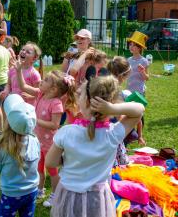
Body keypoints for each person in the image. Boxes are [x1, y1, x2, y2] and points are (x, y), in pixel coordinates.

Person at [46, 75, 145, 217]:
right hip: (97, 197)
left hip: (68, 194)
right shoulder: (113, 133)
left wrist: (66, 157)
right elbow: (139, 109)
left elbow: (50, 162)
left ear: (85, 102)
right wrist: (112, 108)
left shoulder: (66, 132)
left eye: (80, 95)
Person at [16, 66, 76, 207]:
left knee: (53, 171)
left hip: (50, 145)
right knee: (38, 167)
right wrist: (19, 71)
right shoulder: (40, 94)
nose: (41, 81)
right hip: (38, 141)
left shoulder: (56, 104)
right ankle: (40, 189)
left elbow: (55, 125)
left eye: (46, 80)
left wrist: (35, 120)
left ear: (54, 89)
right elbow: (23, 86)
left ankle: (56, 194)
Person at [0, 94, 40, 217]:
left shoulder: (4, 147)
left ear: (8, 121)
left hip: (11, 195)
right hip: (32, 191)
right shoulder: (35, 140)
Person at [107, 56, 146, 166]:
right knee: (116, 166)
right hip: (112, 134)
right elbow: (121, 119)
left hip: (101, 131)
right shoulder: (116, 92)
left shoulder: (105, 85)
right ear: (124, 75)